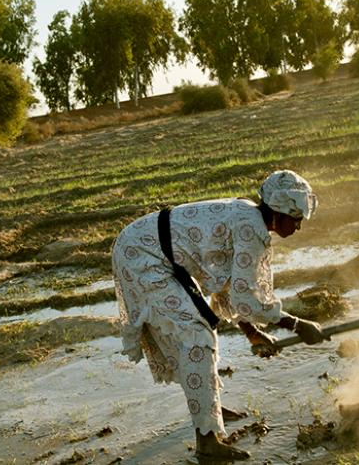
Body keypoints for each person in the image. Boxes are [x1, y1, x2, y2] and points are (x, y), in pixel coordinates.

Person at [111, 170, 327, 460]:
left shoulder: (250, 219)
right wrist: (297, 325)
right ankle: (207, 442)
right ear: (278, 212)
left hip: (148, 249)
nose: (299, 226)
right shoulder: (251, 229)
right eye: (296, 218)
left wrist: (251, 333)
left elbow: (227, 286)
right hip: (143, 255)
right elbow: (244, 297)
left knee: (198, 332)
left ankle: (208, 411)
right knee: (197, 336)